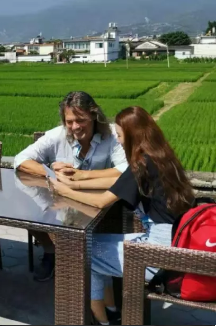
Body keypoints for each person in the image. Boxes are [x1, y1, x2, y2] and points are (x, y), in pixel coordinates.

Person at [50, 106, 194, 325]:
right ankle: (111, 310)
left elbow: (101, 200)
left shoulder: (143, 162)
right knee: (93, 243)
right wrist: (76, 182)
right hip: (176, 241)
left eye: (119, 135)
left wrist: (64, 191)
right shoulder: (160, 156)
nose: (117, 140)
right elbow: (119, 182)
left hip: (160, 253)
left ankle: (102, 321)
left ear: (132, 135)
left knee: (82, 250)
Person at [14, 91, 128, 282]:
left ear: (93, 115)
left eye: (80, 120)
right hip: (61, 202)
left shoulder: (111, 136)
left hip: (97, 205)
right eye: (69, 121)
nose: (75, 127)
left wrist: (81, 176)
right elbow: (21, 160)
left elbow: (125, 170)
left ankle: (83, 264)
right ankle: (51, 251)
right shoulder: (57, 136)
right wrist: (51, 171)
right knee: (26, 210)